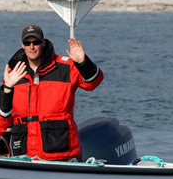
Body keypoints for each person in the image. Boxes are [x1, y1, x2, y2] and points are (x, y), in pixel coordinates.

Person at [6, 24, 104, 161]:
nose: (32, 46)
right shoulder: (14, 73)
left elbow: (93, 83)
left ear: (43, 43)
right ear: (22, 45)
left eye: (36, 42)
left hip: (59, 153)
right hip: (23, 155)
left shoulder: (66, 67)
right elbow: (5, 112)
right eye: (27, 43)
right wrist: (2, 147)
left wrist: (83, 62)